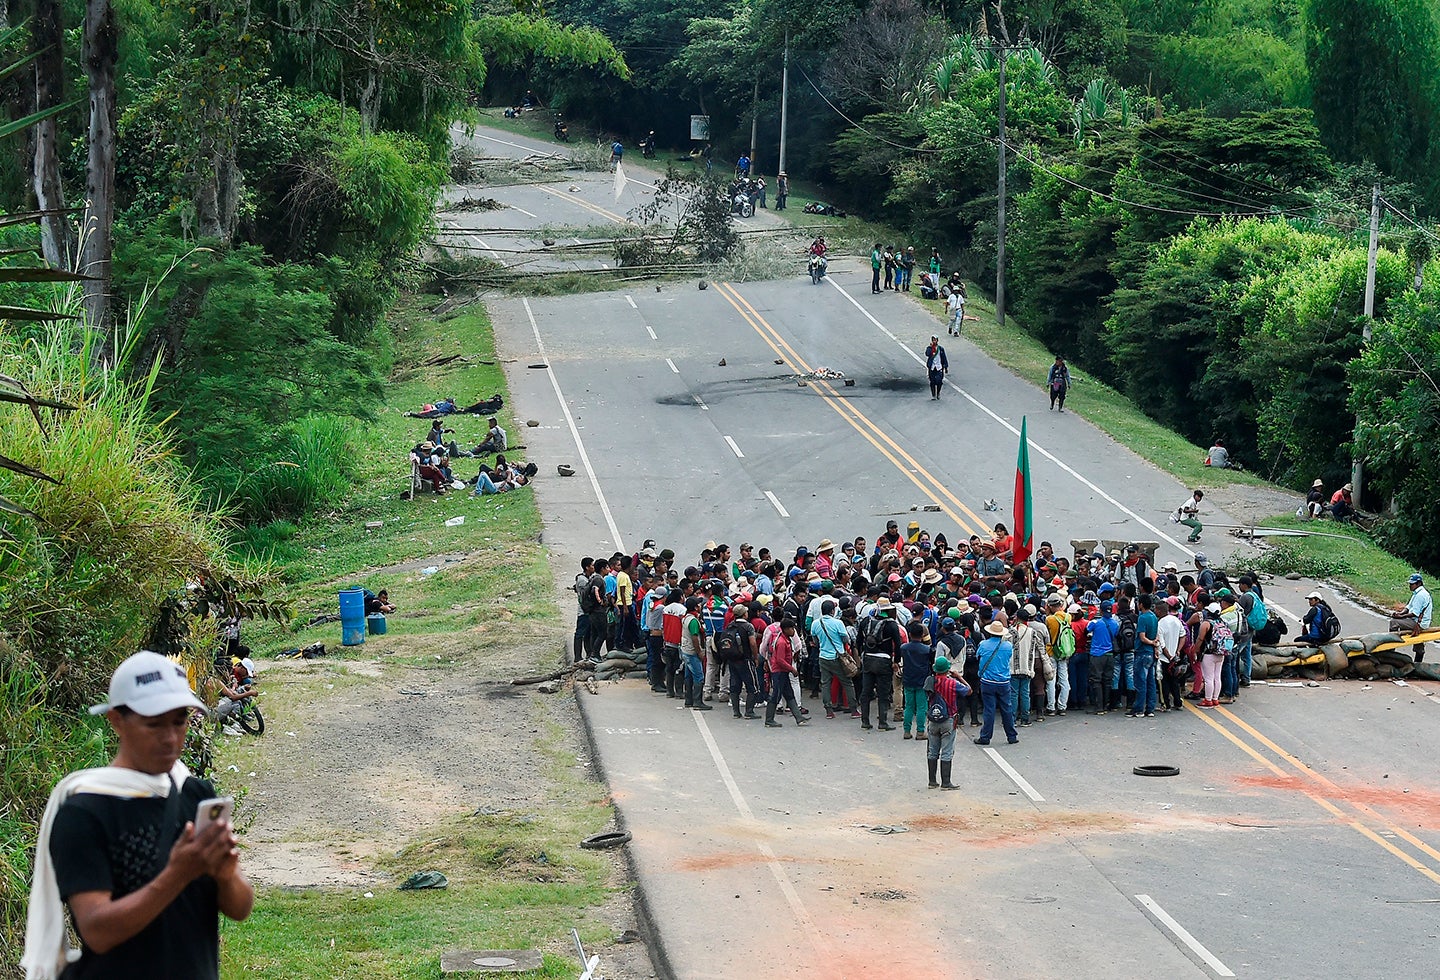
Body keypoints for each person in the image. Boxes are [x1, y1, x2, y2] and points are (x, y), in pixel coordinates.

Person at [23, 652, 254, 980]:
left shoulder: (195, 794)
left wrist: (226, 873)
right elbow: (97, 931)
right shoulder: (85, 812)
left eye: (180, 721)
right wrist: (178, 873)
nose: (171, 738)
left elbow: (240, 908)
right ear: (117, 720)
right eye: (154, 724)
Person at [973, 621, 1018, 745]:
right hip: (1003, 681)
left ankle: (985, 737)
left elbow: (978, 656)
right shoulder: (1008, 646)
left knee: (989, 710)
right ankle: (1012, 736)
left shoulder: (983, 644)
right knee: (1007, 708)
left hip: (987, 681)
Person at [811, 599, 857, 719]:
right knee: (847, 683)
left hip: (823, 656)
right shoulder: (838, 623)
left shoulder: (815, 623)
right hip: (837, 657)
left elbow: (815, 641)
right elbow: (845, 639)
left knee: (825, 683)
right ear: (832, 611)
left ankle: (829, 711)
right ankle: (853, 709)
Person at [924, 655, 965, 789]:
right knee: (947, 751)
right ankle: (946, 783)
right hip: (948, 720)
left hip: (933, 719)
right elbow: (968, 690)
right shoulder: (952, 683)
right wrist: (958, 676)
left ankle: (932, 781)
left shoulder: (930, 681)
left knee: (932, 751)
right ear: (947, 670)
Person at [762, 619, 807, 727]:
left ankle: (799, 717)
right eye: (792, 629)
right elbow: (780, 660)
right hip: (779, 672)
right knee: (776, 696)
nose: (793, 631)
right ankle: (769, 719)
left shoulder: (785, 639)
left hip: (783, 671)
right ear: (786, 629)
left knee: (789, 694)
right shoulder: (782, 642)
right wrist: (792, 669)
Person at [899, 621, 932, 739]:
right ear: (922, 635)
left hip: (908, 680)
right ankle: (920, 732)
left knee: (909, 706)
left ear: (910, 634)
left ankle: (906, 731)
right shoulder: (926, 650)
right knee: (921, 708)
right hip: (922, 681)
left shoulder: (904, 648)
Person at [1389, 574, 1434, 661]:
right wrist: (1400, 613)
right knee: (1418, 641)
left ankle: (1391, 647)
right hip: (1416, 620)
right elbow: (1408, 607)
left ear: (1418, 584)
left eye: (1412, 584)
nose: (1410, 586)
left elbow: (1414, 613)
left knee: (1394, 622)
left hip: (1420, 623)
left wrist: (1401, 616)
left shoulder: (1421, 595)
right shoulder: (1416, 593)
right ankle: (1419, 656)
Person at [1132, 594, 1160, 717]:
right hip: (1151, 653)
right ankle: (1150, 709)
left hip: (1142, 652)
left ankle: (1139, 709)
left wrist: (1150, 642)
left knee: (1140, 682)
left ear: (1141, 605)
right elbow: (1157, 635)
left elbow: (1142, 637)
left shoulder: (1142, 618)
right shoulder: (1154, 617)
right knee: (1151, 682)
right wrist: (1155, 644)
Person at [924, 335, 948, 401]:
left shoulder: (940, 349)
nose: (934, 341)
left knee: (939, 381)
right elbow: (927, 354)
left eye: (935, 340)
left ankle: (938, 393)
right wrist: (930, 347)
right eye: (933, 340)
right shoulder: (929, 348)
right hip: (932, 367)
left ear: (937, 340)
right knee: (932, 382)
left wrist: (946, 367)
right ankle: (933, 395)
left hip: (939, 367)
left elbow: (944, 358)